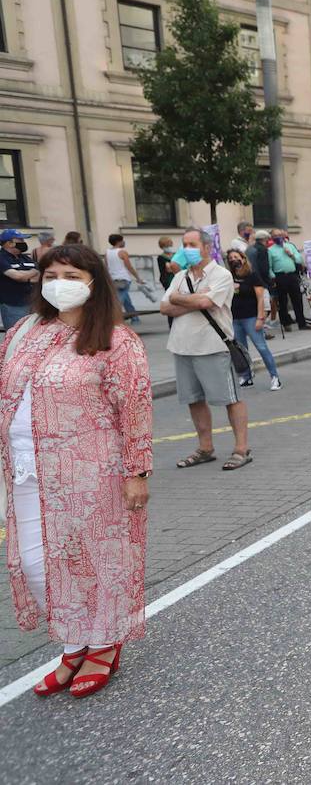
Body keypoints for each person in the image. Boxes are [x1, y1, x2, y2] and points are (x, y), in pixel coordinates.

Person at [1, 243, 152, 699]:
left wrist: (136, 472)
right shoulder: (25, 330)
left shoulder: (114, 340)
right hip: (28, 470)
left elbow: (136, 408)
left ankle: (102, 643)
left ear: (92, 283)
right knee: (36, 563)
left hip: (92, 471)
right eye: (51, 275)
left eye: (71, 275)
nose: (59, 283)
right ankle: (74, 640)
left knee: (95, 562)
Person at [161, 228, 252, 471]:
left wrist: (180, 299)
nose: (186, 249)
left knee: (230, 399)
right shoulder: (180, 276)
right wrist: (191, 299)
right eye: (184, 244)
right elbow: (164, 307)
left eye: (191, 244)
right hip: (182, 346)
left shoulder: (220, 275)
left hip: (212, 346)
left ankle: (241, 448)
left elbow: (206, 302)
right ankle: (205, 448)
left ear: (206, 247)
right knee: (194, 400)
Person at [224, 248, 281, 391]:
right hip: (235, 318)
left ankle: (274, 377)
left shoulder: (252, 275)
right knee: (241, 349)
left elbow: (260, 297)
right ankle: (246, 376)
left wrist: (261, 317)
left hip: (251, 317)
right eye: (230, 258)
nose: (233, 260)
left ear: (243, 258)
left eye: (236, 257)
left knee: (261, 347)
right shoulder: (228, 276)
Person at [268, 228, 308, 331]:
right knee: (283, 301)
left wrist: (291, 254)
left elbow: (299, 259)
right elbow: (269, 266)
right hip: (280, 276)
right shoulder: (271, 250)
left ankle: (301, 323)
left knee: (297, 299)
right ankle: (286, 323)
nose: (278, 237)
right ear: (272, 238)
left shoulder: (290, 246)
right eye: (275, 235)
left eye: (280, 235)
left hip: (292, 275)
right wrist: (273, 277)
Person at [0, 229, 39, 329]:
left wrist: (25, 275)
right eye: (20, 241)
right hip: (14, 305)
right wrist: (31, 274)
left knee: (33, 333)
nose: (23, 243)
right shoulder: (2, 258)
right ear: (9, 243)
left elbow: (39, 274)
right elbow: (17, 276)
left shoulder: (25, 258)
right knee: (16, 335)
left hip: (32, 302)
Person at [104, 234, 146, 324]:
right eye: (122, 240)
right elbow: (129, 266)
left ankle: (135, 318)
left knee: (126, 299)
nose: (124, 242)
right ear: (119, 241)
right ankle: (114, 320)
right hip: (123, 279)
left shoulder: (107, 252)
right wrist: (138, 278)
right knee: (119, 300)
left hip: (112, 279)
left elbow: (106, 267)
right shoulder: (122, 252)